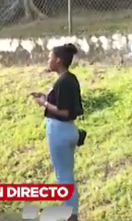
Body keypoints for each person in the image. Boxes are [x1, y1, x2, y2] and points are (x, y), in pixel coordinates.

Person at [32, 43, 83, 221]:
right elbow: (65, 105)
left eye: (50, 57)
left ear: (58, 60)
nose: (48, 60)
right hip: (68, 130)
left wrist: (44, 103)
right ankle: (71, 212)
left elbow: (63, 111)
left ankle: (71, 215)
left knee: (64, 176)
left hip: (59, 130)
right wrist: (46, 98)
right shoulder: (70, 78)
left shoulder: (63, 81)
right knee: (67, 174)